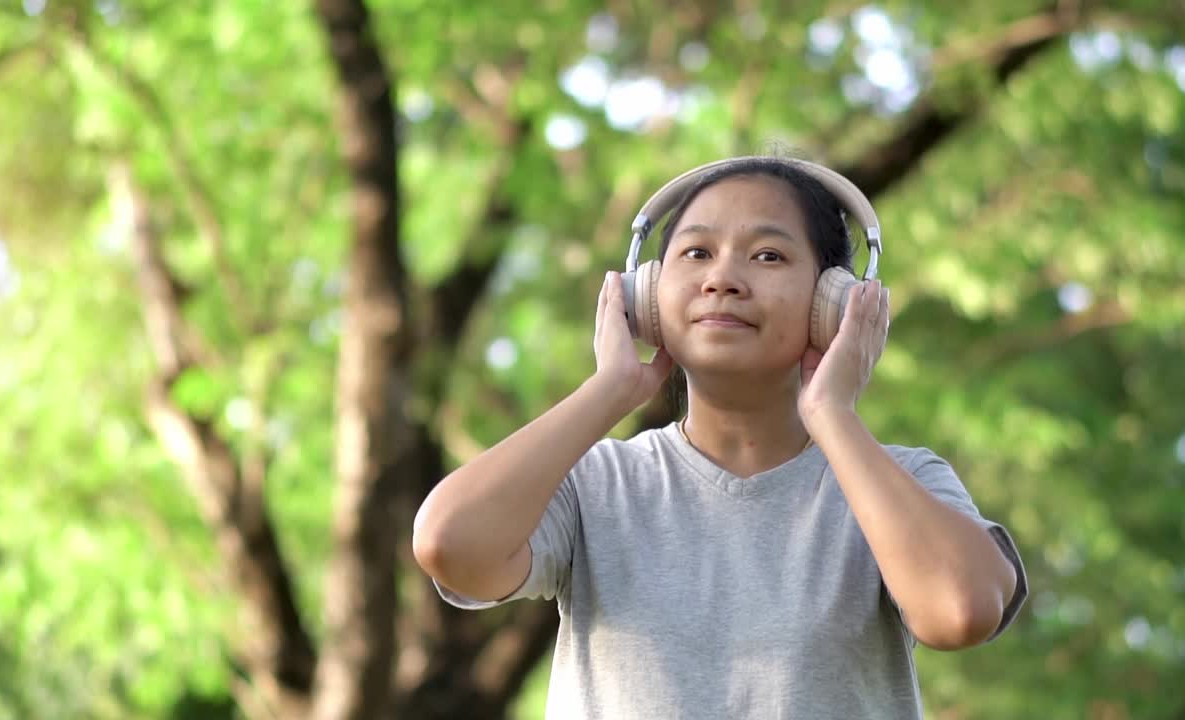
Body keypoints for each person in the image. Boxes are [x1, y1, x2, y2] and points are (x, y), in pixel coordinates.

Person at [412, 156, 1028, 719]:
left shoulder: (902, 483)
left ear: (833, 302)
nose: (723, 279)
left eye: (767, 256)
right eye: (696, 253)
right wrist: (610, 391)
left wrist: (834, 413)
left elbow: (961, 610)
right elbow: (449, 544)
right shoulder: (594, 483)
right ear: (646, 297)